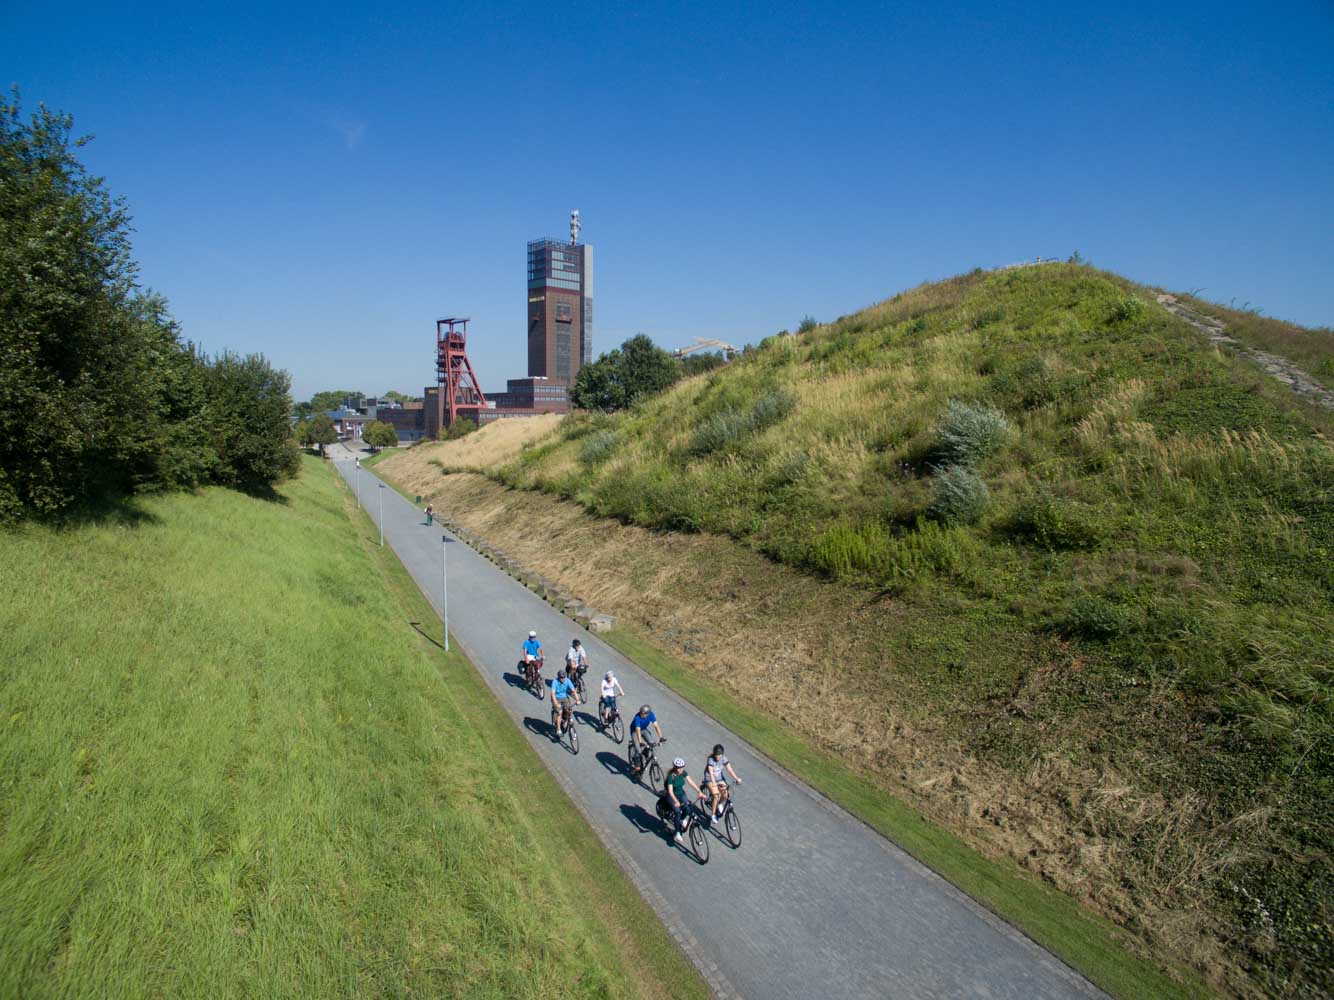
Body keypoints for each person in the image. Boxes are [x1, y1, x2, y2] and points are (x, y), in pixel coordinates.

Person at [663, 757, 703, 844]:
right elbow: (670, 791)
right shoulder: (671, 776)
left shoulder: (683, 773)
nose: (681, 769)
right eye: (679, 768)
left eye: (682, 767)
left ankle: (682, 819)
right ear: (675, 767)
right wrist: (676, 801)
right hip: (671, 796)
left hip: (681, 793)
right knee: (677, 812)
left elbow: (691, 782)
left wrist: (699, 791)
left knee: (688, 809)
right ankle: (677, 833)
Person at [702, 744, 742, 819]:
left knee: (725, 795)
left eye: (719, 755)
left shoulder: (723, 758)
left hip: (719, 778)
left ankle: (718, 803)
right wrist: (713, 782)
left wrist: (736, 778)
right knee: (716, 795)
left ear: (722, 754)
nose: (717, 756)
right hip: (710, 778)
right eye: (716, 755)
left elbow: (729, 769)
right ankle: (713, 814)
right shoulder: (711, 759)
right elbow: (710, 772)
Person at [550, 669, 578, 739]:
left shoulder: (567, 681)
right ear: (558, 677)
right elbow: (552, 694)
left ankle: (565, 719)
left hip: (564, 697)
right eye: (561, 678)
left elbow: (573, 690)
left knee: (569, 710)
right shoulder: (555, 682)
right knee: (560, 711)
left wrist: (577, 699)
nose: (562, 679)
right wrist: (556, 704)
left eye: (563, 677)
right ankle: (559, 729)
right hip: (556, 698)